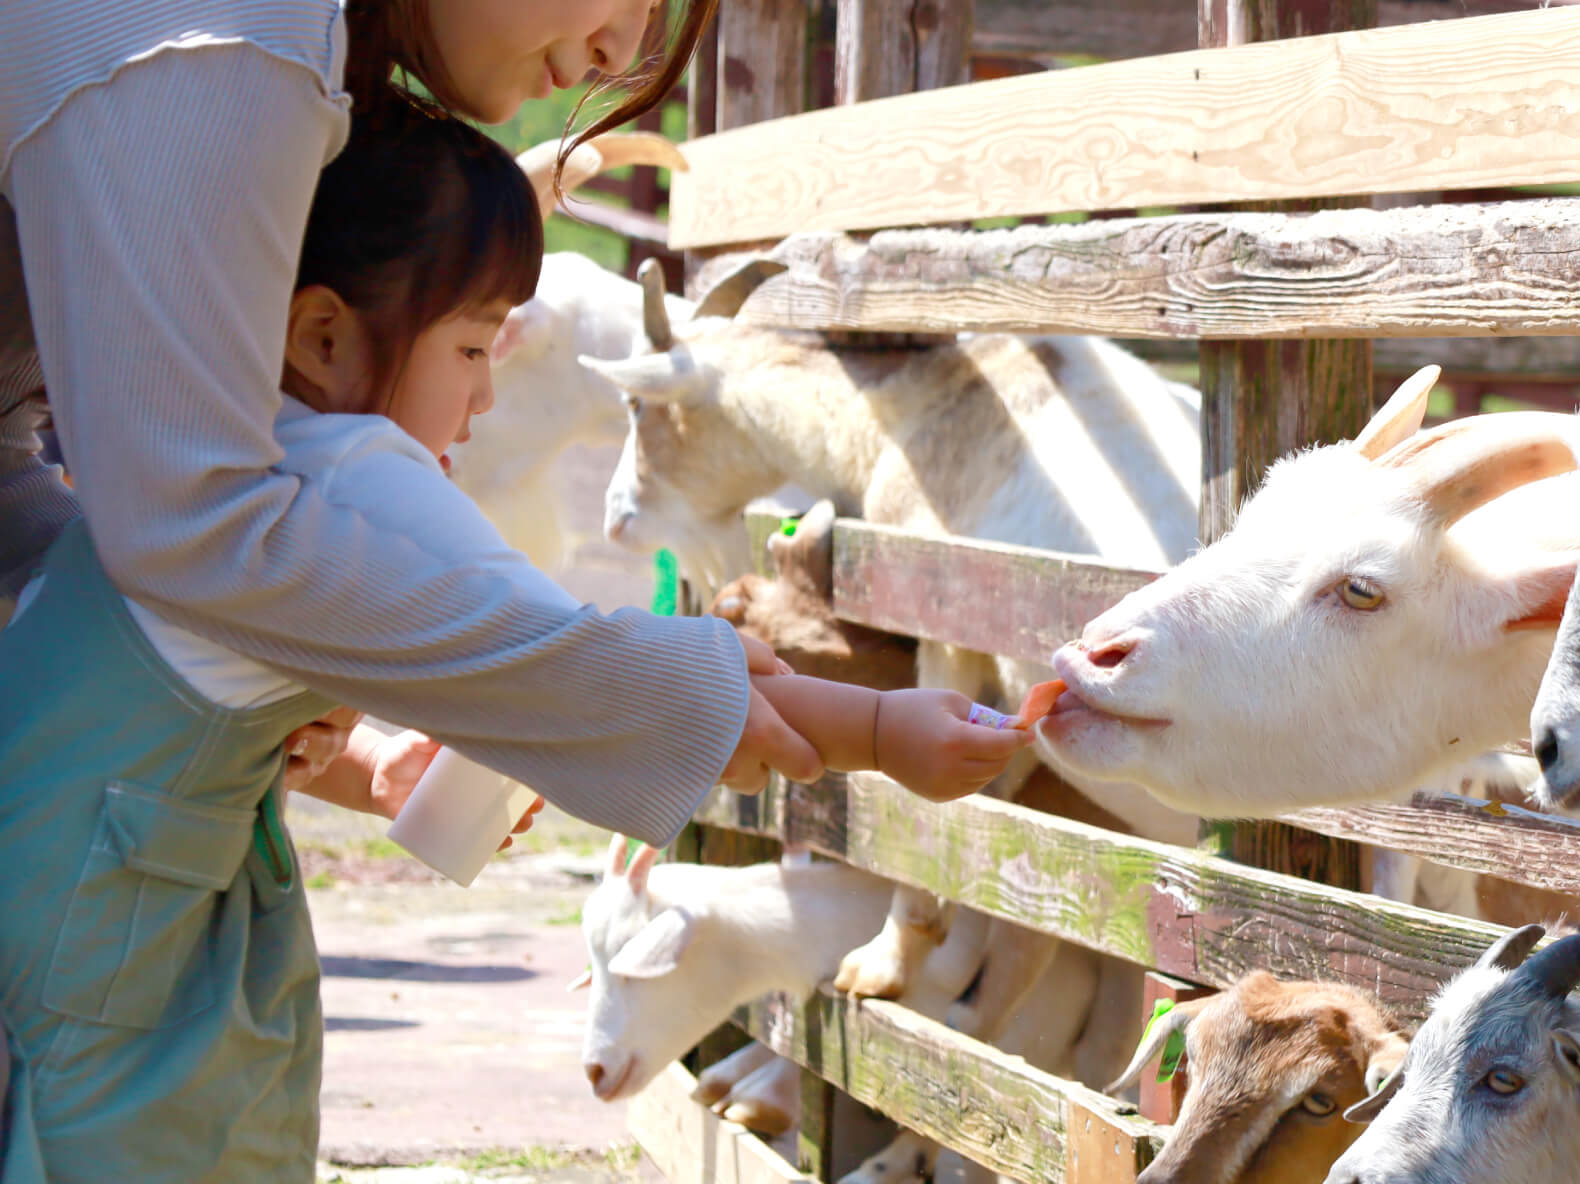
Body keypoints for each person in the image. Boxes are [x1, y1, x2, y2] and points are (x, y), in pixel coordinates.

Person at [1, 88, 1032, 1182]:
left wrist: (376, 758)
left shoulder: (213, 442)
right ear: (323, 334)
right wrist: (876, 725)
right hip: (109, 911)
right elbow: (567, 657)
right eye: (471, 348)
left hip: (70, 862)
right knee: (139, 1138)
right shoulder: (348, 471)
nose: (488, 393)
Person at [0, 2, 815, 850]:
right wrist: (638, 693)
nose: (625, 50)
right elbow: (191, 518)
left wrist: (236, 666)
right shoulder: (244, 41)